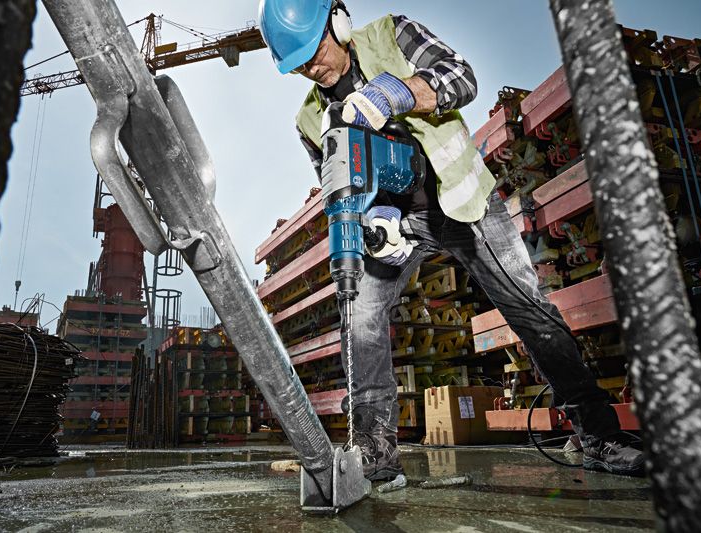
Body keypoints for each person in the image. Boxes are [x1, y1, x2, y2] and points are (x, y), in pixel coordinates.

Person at [258, 0, 644, 480]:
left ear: (338, 22)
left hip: (462, 201)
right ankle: (375, 461)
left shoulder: (392, 35)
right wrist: (373, 222)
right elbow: (338, 182)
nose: (312, 68)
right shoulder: (309, 120)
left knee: (530, 310)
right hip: (394, 222)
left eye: (314, 50)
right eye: (297, 65)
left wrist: (399, 93)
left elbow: (461, 76)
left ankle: (599, 436)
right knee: (359, 316)